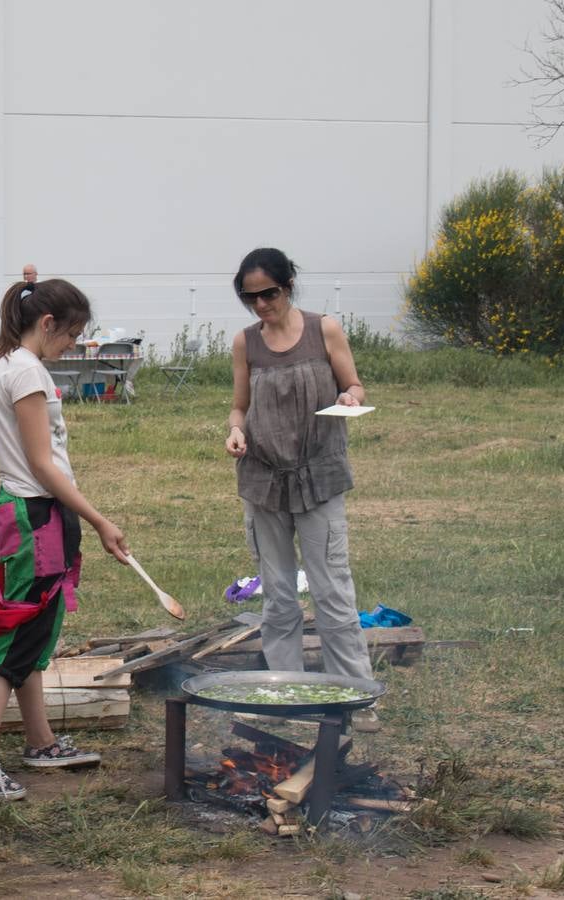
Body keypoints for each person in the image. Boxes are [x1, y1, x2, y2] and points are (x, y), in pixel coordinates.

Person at [0, 278, 131, 801]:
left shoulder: (2, 365)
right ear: (47, 324)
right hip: (35, 517)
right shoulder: (27, 372)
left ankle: (41, 740)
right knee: (17, 636)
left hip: (18, 510)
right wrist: (99, 520)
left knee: (34, 627)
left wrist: (10, 443)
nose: (72, 344)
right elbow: (45, 467)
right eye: (70, 334)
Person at [224, 248, 380, 732]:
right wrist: (235, 431)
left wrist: (349, 396)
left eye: (268, 293)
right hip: (263, 479)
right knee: (277, 594)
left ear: (288, 284)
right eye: (251, 298)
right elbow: (238, 407)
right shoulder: (245, 343)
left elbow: (354, 385)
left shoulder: (324, 330)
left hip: (320, 476)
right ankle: (285, 692)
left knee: (332, 590)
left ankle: (355, 696)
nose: (261, 305)